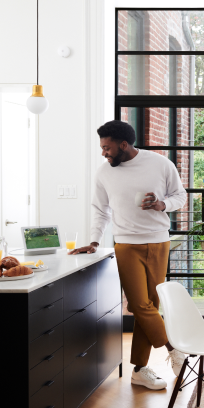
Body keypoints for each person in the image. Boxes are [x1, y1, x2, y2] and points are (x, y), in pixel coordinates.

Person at [69, 120, 187, 390]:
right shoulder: (103, 173)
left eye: (107, 148)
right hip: (126, 245)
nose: (103, 153)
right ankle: (175, 350)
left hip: (159, 242)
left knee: (150, 307)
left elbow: (180, 196)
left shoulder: (160, 164)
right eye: (102, 148)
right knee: (140, 305)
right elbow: (100, 210)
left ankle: (139, 369)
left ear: (124, 145)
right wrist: (94, 241)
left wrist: (162, 204)